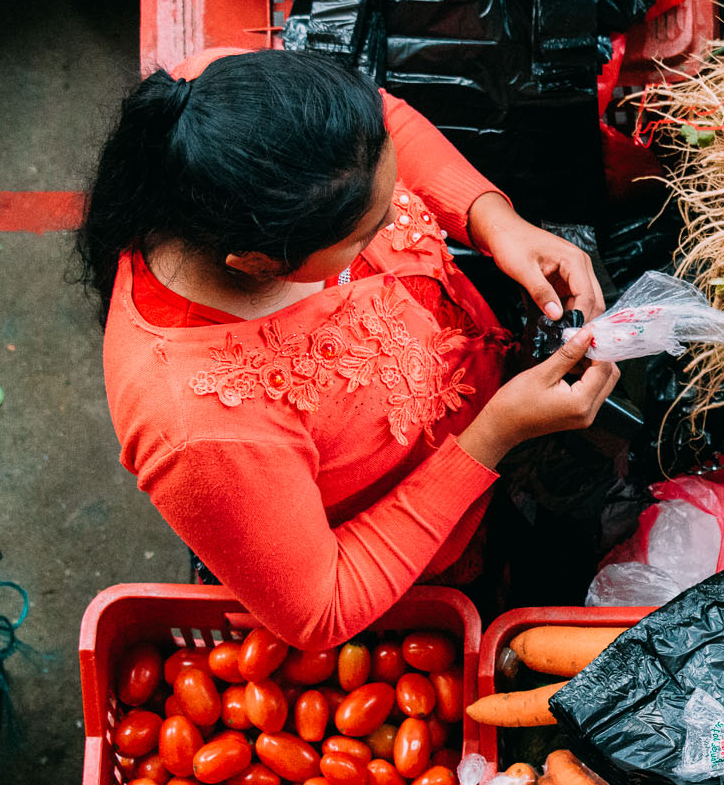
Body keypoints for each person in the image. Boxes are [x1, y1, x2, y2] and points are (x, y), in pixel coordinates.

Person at [82, 48, 623, 649]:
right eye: (368, 230)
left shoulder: (219, 104)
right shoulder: (198, 430)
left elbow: (382, 125)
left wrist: (493, 221)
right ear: (261, 262)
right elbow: (321, 609)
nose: (406, 212)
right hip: (422, 536)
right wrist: (494, 435)